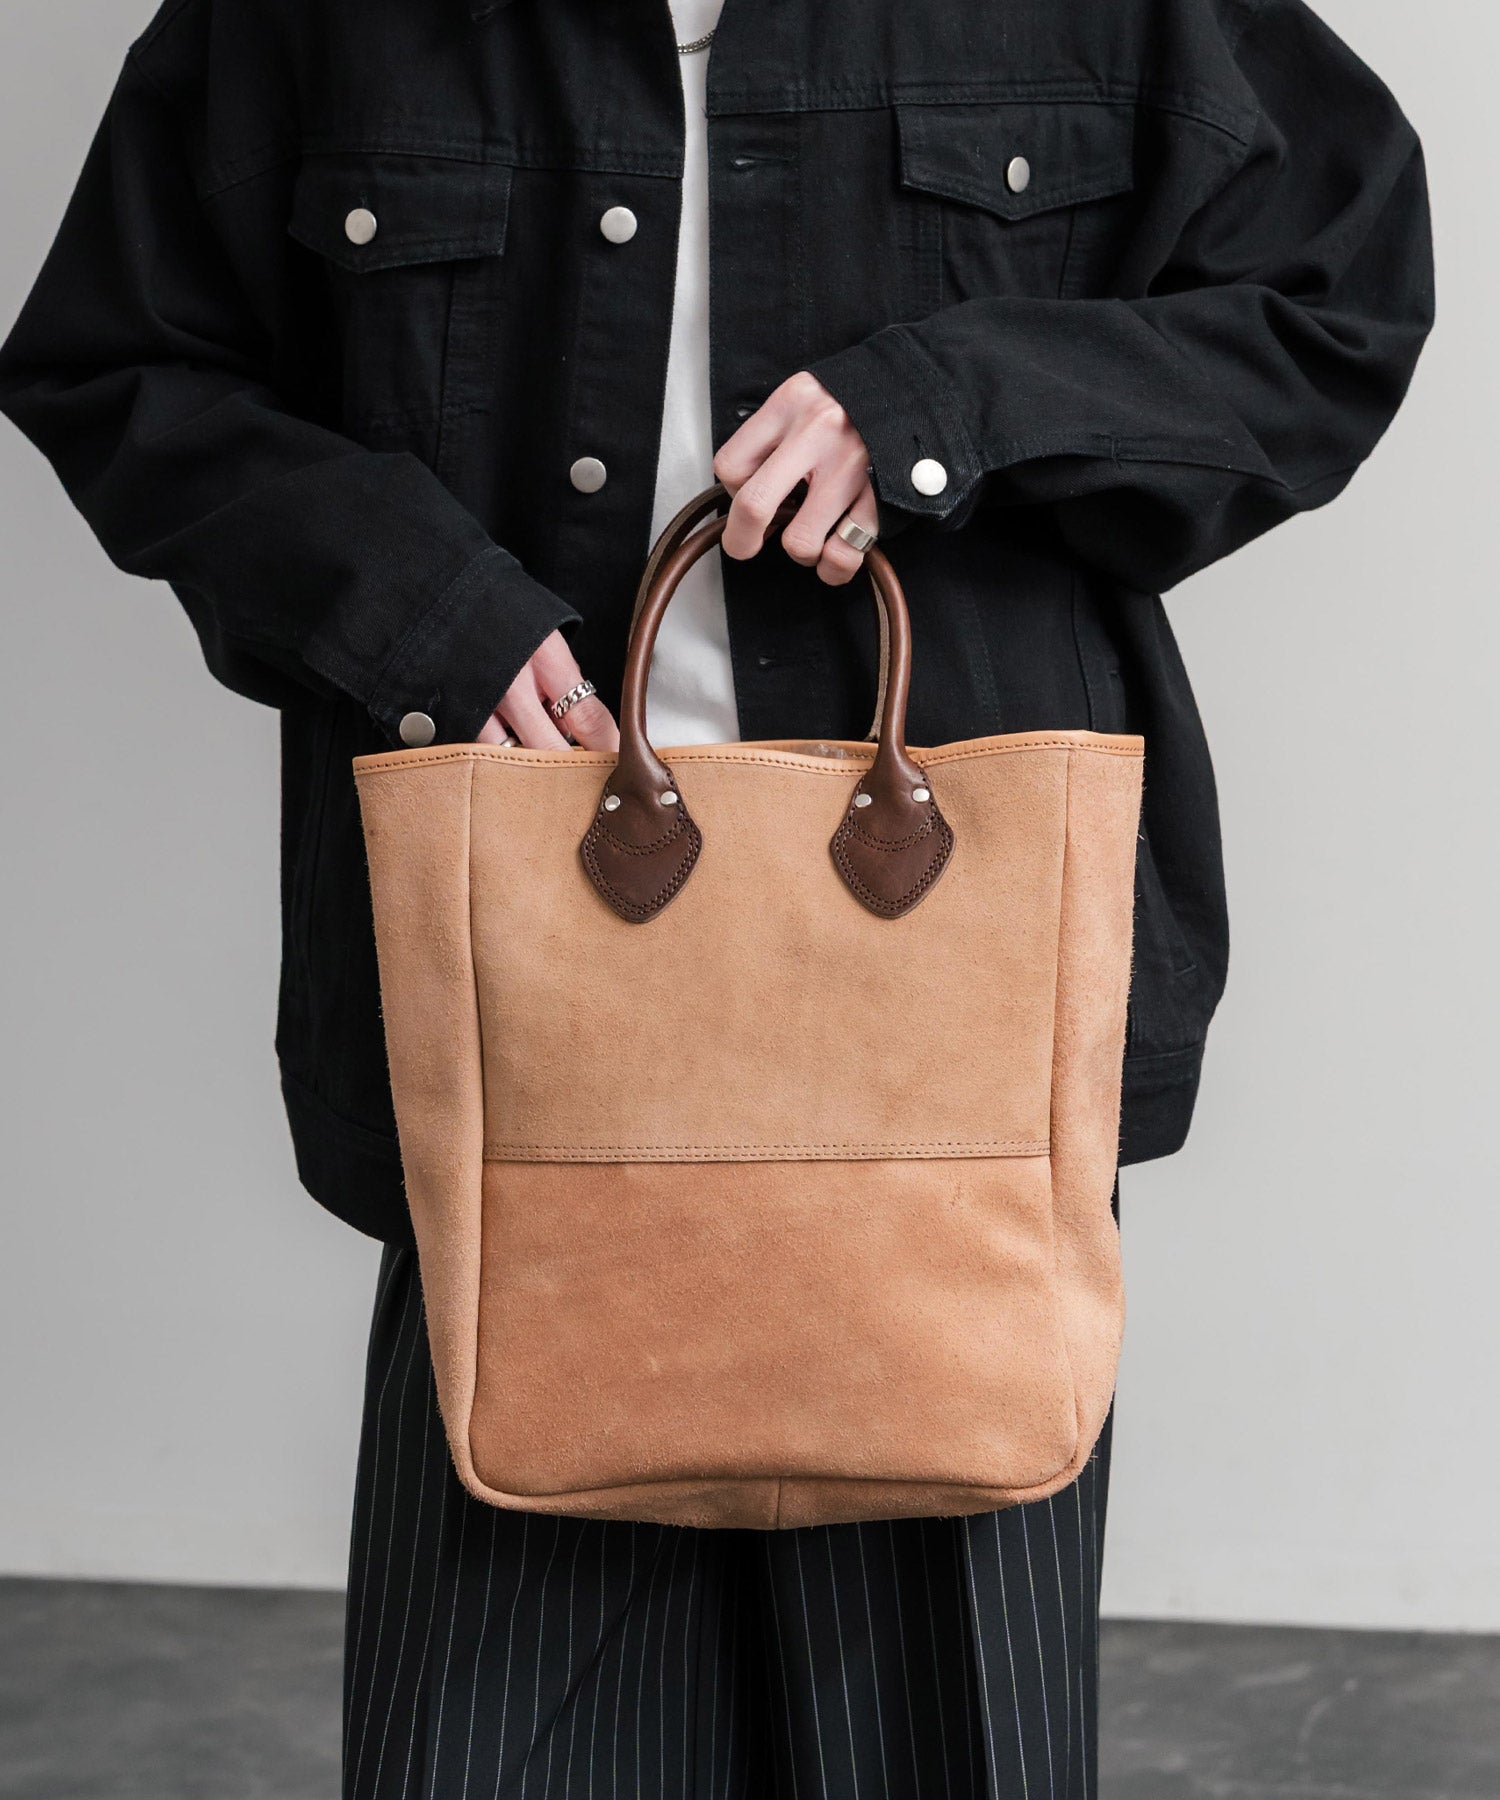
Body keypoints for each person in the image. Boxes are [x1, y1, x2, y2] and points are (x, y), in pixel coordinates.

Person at [0, 0, 1432, 1791]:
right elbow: (124, 363)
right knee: (495, 1740)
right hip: (534, 1038)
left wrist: (954, 403)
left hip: (954, 1068)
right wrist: (421, 612)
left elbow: (1335, 303)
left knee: (945, 1740)